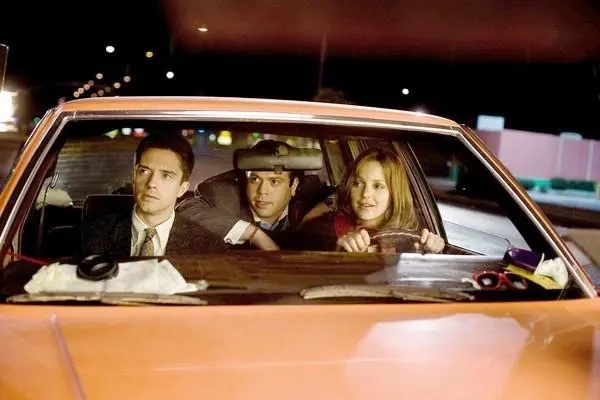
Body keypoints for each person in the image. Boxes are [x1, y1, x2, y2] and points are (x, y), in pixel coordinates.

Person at [84, 133, 225, 257]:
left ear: (182, 188)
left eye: (166, 176)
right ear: (133, 176)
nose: (152, 183)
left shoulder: (207, 247)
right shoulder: (87, 234)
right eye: (144, 171)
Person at [290, 147, 445, 253]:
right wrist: (337, 253)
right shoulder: (320, 231)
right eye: (358, 184)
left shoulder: (411, 241)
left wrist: (433, 251)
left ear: (394, 194)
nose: (365, 194)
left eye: (378, 186)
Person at [177, 140, 327, 250]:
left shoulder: (311, 201)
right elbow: (186, 210)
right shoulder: (223, 196)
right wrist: (253, 234)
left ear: (293, 186)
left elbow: (337, 198)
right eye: (254, 179)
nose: (262, 191)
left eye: (274, 181)